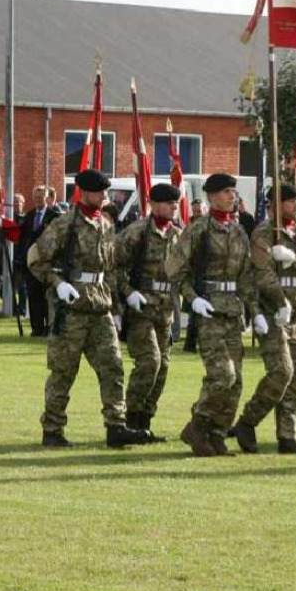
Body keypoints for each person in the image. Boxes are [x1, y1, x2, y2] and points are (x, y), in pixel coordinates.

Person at [28, 169, 152, 449]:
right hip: (71, 309)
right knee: (63, 371)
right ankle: (53, 429)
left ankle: (116, 426)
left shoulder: (106, 225)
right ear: (83, 192)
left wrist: (117, 308)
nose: (103, 196)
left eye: (105, 192)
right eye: (99, 192)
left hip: (100, 306)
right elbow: (36, 260)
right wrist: (58, 283)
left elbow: (110, 270)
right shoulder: (64, 224)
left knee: (113, 367)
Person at [166, 173, 256, 457]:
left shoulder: (238, 231)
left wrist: (254, 310)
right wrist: (192, 300)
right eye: (227, 192)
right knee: (222, 376)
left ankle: (217, 434)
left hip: (232, 310)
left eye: (234, 192)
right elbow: (173, 270)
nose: (233, 196)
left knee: (236, 381)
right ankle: (198, 424)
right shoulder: (198, 230)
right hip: (209, 309)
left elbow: (245, 276)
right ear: (212, 196)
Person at [232, 184, 296, 455]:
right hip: (273, 314)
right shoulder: (264, 233)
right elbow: (263, 274)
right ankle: (247, 421)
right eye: (288, 201)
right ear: (273, 205)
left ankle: (287, 435)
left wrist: (294, 260)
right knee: (281, 372)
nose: (295, 205)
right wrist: (279, 301)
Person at [115, 182, 183, 441]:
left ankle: (145, 419)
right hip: (141, 308)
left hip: (165, 309)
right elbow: (114, 267)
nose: (173, 207)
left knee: (163, 366)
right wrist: (128, 292)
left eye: (175, 204)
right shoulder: (137, 233)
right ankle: (130, 419)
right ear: (154, 204)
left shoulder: (177, 235)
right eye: (168, 203)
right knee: (149, 362)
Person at [18, 185, 62, 337]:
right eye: (35, 197)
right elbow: (22, 239)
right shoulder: (29, 216)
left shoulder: (54, 216)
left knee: (47, 297)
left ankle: (49, 327)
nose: (37, 200)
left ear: (47, 198)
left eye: (40, 197)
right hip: (32, 264)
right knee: (34, 296)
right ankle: (36, 327)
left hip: (48, 264)